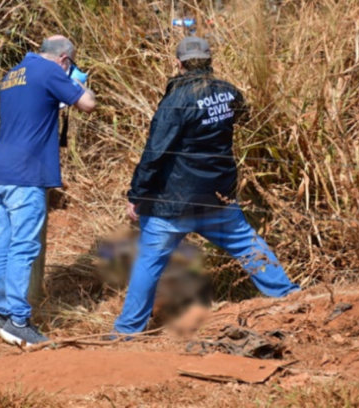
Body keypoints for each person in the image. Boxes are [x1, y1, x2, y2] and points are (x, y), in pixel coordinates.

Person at [113, 36, 299, 335]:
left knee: (149, 263)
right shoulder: (227, 91)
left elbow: (155, 152)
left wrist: (136, 194)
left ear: (179, 63)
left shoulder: (176, 100)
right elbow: (245, 117)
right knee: (250, 247)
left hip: (172, 203)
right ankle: (291, 298)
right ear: (210, 60)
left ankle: (126, 332)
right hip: (218, 196)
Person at [0, 35, 97, 346]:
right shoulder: (51, 71)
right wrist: (78, 83)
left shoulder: (13, 74)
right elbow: (88, 104)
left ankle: (2, 317)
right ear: (64, 58)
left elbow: (36, 106)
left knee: (5, 245)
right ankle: (19, 322)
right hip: (28, 174)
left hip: (2, 172)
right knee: (24, 247)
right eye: (69, 64)